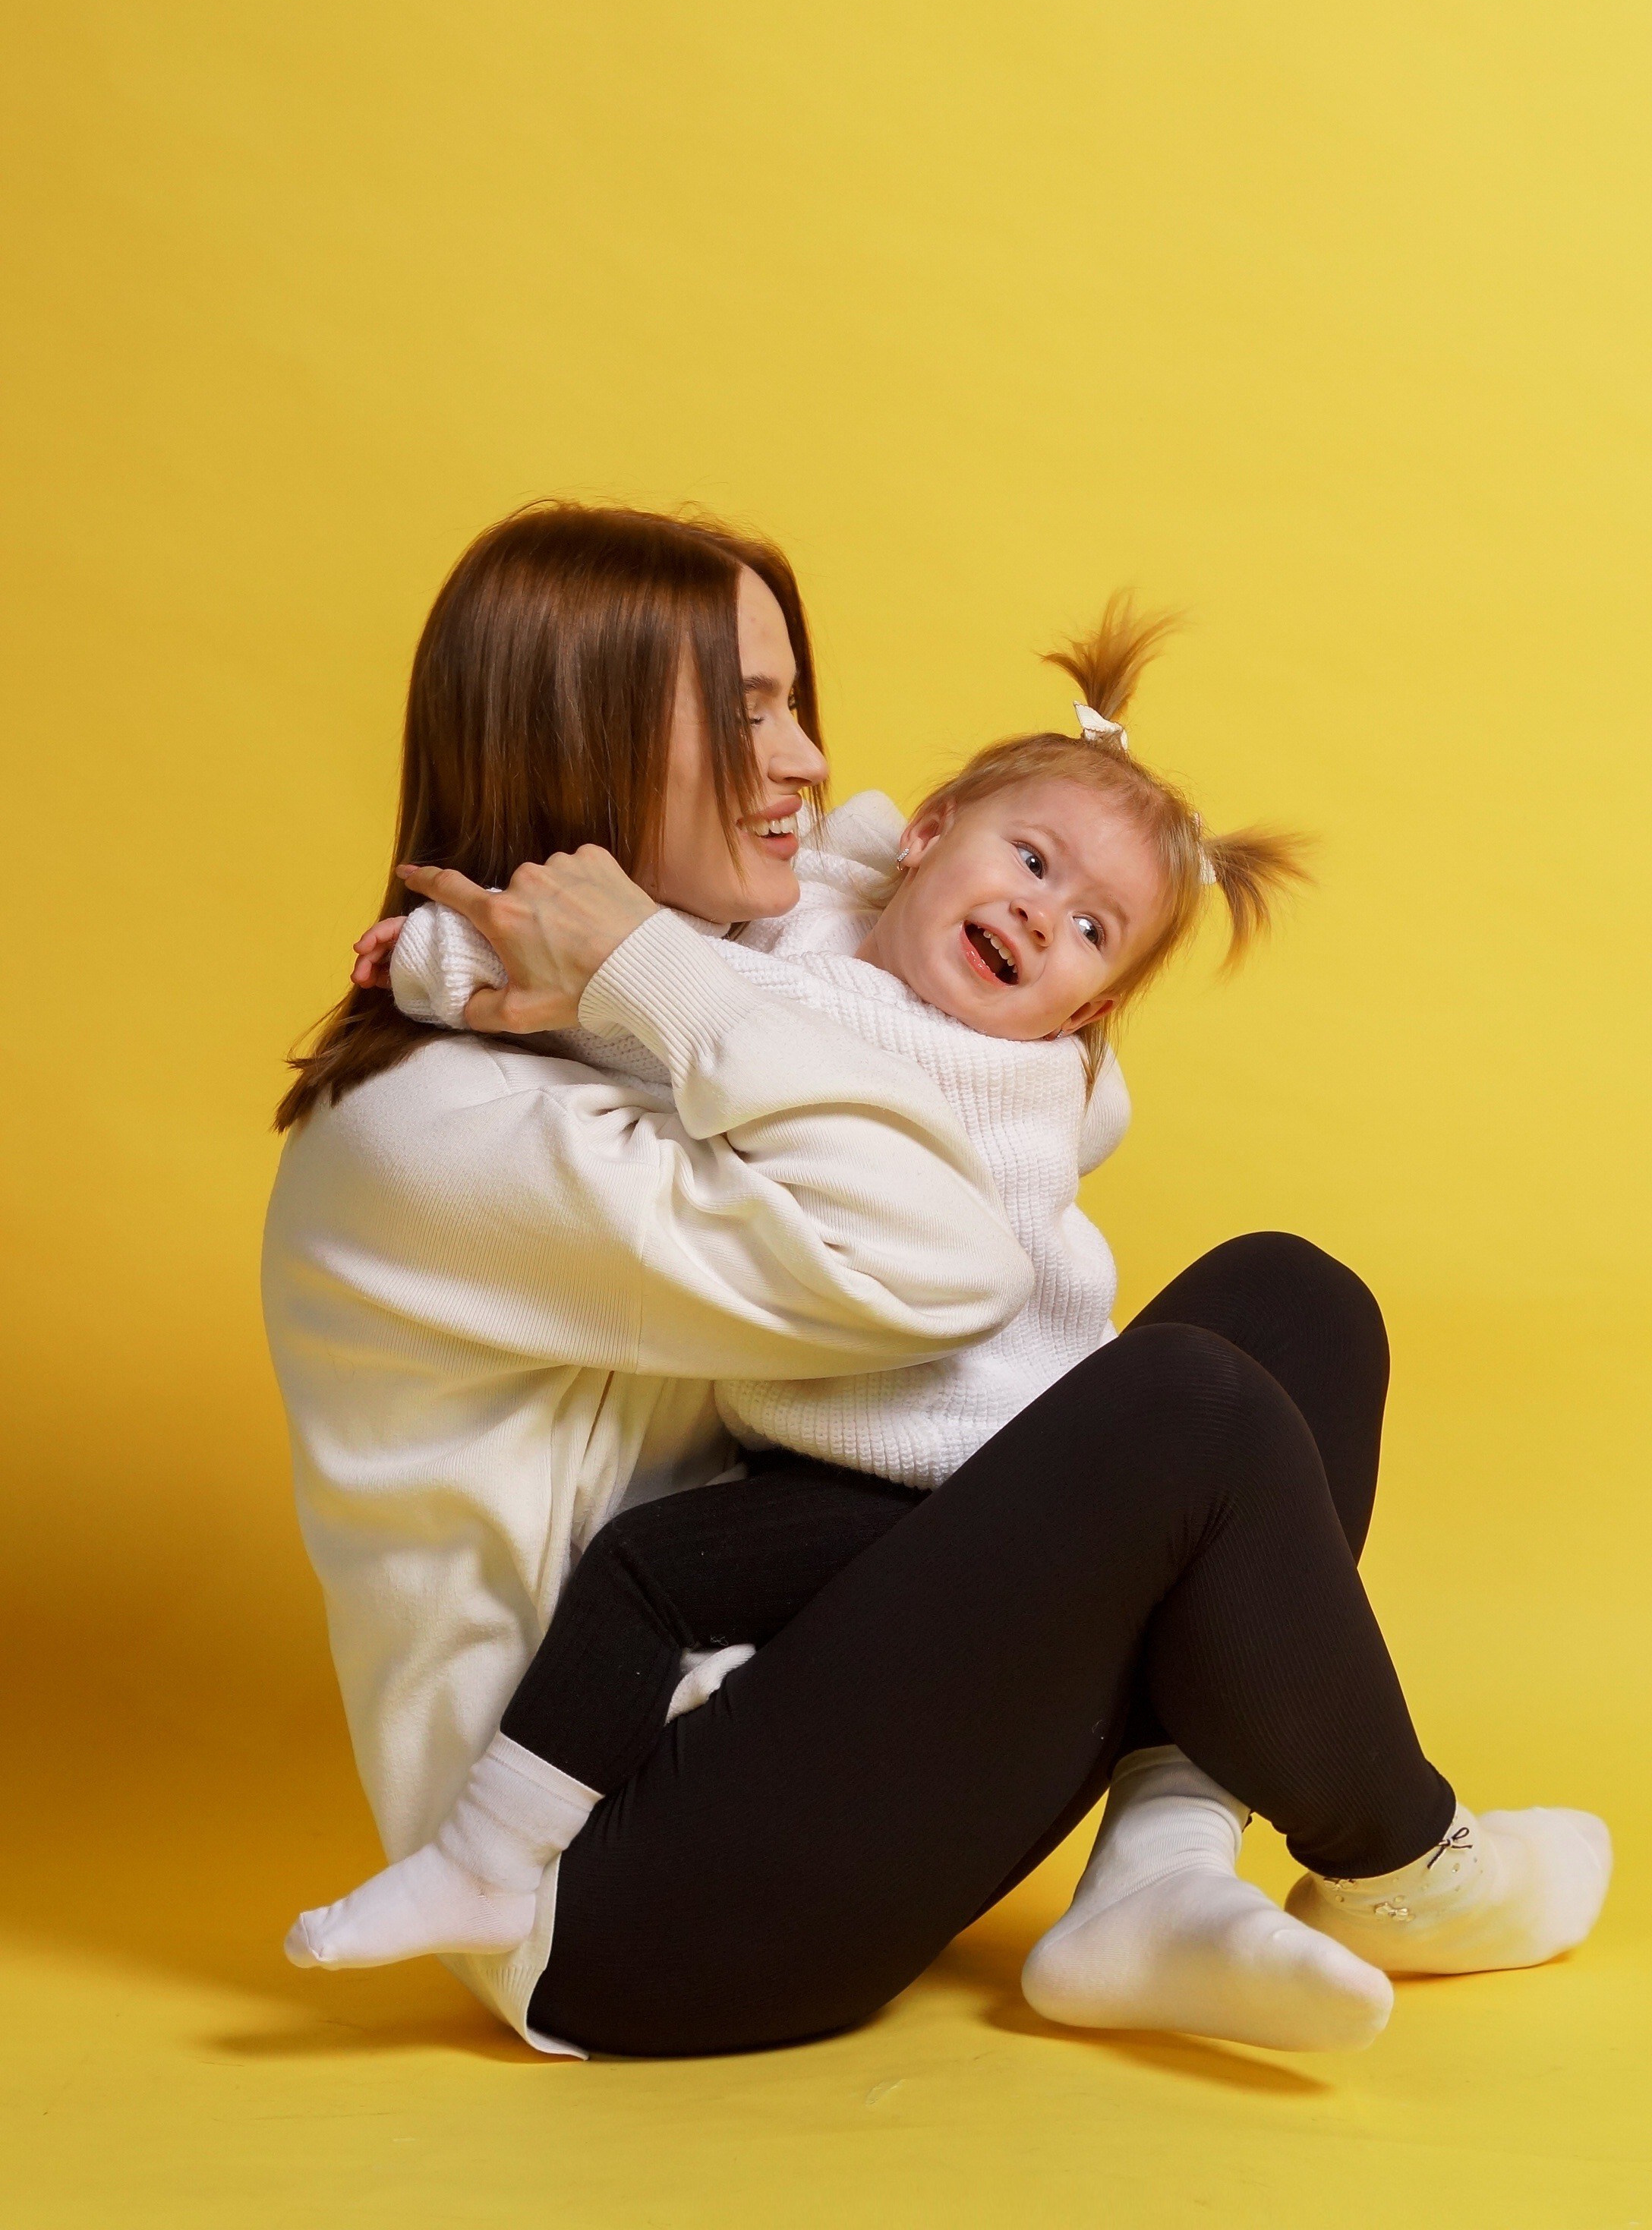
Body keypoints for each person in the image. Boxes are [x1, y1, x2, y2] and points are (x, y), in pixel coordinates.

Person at [265, 502, 1609, 2062]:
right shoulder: (445, 1130)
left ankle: (1154, 1882)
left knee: (1282, 1303)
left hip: (808, 1689)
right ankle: (1400, 1851)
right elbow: (941, 1265)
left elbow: (905, 930)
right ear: (587, 731)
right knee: (1179, 1406)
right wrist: (643, 961)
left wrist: (860, 918)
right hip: (621, 1892)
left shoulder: (688, 980)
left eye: (795, 701)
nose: (805, 762)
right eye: (745, 710)